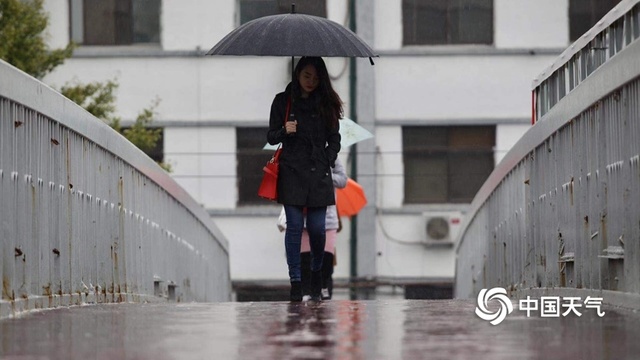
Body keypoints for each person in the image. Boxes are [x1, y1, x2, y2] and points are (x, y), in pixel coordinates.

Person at [267, 56, 343, 302]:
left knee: (319, 229)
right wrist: (284, 131)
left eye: (316, 77)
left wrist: (328, 159)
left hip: (319, 173)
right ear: (297, 75)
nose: (311, 81)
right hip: (292, 172)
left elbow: (335, 138)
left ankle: (317, 272)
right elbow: (270, 136)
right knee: (295, 227)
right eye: (306, 76)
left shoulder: (327, 104)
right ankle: (296, 283)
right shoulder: (283, 101)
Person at [277, 158, 348, 300]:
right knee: (305, 261)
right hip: (302, 217)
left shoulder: (330, 156)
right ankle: (306, 292)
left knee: (326, 259)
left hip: (328, 218)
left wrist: (324, 175)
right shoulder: (297, 153)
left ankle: (322, 288)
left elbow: (343, 180)